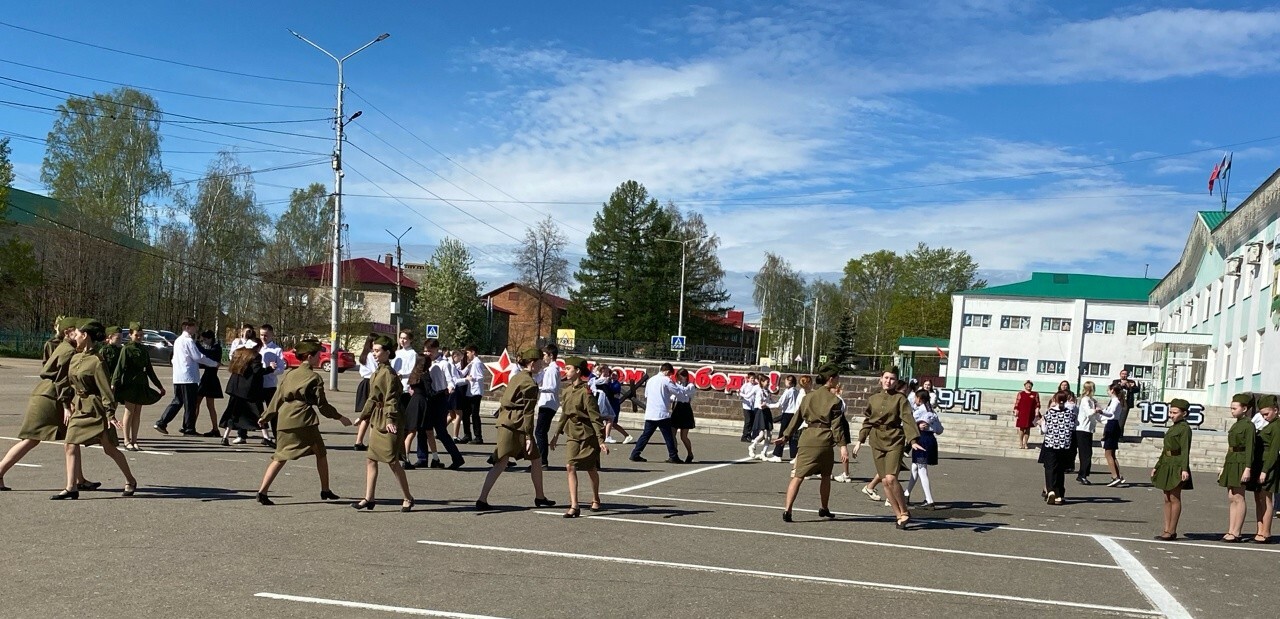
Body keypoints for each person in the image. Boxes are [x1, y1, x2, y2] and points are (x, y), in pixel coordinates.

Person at [1, 317, 100, 493]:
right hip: (49, 397)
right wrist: (66, 406)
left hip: (49, 394)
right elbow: (62, 380)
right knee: (32, 439)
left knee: (72, 437)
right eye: (75, 331)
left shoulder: (64, 347)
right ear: (68, 333)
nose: (78, 334)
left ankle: (79, 480)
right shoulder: (68, 351)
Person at [255, 339, 353, 506]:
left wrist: (266, 416)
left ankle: (262, 491)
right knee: (320, 453)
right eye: (317, 355)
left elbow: (277, 398)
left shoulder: (290, 374)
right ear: (309, 356)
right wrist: (340, 417)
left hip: (285, 419)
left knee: (280, 456)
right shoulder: (314, 377)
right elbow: (322, 405)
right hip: (304, 420)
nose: (320, 357)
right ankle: (325, 490)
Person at [53, 320, 138, 500]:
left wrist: (110, 414)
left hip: (96, 409)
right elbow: (67, 383)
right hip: (79, 407)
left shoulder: (97, 361)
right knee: (69, 444)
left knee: (109, 449)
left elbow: (106, 389)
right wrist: (67, 404)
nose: (74, 337)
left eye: (76, 334)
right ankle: (71, 487)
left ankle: (130, 480)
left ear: (85, 336)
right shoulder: (75, 357)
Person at [476, 348, 556, 510]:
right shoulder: (529, 383)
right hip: (515, 426)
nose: (542, 365)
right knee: (501, 462)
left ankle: (540, 496)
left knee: (535, 459)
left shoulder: (518, 377)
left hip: (508, 422)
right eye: (540, 363)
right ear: (532, 363)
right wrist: (528, 436)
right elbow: (528, 413)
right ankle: (481, 499)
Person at [773, 364, 848, 522]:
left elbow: (797, 418)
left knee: (798, 476)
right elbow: (836, 426)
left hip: (806, 438)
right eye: (837, 377)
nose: (838, 380)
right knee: (826, 476)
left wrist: (785, 436)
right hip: (824, 439)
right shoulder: (835, 400)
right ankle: (824, 508)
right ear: (831, 379)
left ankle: (788, 510)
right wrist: (843, 446)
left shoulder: (808, 397)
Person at [852, 366, 923, 529]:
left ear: (896, 381)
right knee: (884, 481)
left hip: (894, 439)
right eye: (886, 378)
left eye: (892, 379)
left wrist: (913, 440)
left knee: (891, 478)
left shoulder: (901, 399)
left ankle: (904, 511)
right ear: (881, 379)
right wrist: (860, 440)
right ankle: (898, 514)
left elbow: (907, 419)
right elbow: (868, 421)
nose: (888, 381)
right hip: (876, 440)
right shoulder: (873, 399)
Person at [354, 335, 415, 512]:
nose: (374, 353)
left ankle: (408, 497)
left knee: (392, 461)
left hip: (390, 419)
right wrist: (363, 416)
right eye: (373, 350)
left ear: (387, 353)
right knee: (371, 459)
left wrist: (390, 420)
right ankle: (369, 498)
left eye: (377, 350)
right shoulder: (378, 371)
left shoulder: (389, 373)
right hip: (378, 418)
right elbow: (373, 398)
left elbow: (392, 399)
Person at [549, 356, 609, 518]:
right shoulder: (567, 391)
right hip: (572, 433)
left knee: (590, 468)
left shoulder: (586, 393)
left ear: (578, 371)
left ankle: (595, 497)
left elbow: (595, 417)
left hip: (588, 434)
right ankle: (574, 506)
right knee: (570, 466)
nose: (565, 371)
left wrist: (601, 440)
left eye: (568, 368)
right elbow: (564, 414)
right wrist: (556, 434)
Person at [155, 318, 219, 436]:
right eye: (194, 326)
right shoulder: (188, 341)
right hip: (188, 377)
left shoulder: (178, 340)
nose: (196, 329)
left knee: (178, 401)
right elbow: (198, 357)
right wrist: (214, 363)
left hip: (178, 376)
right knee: (190, 403)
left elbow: (174, 359)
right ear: (187, 327)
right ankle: (189, 428)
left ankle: (162, 422)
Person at [112, 322, 166, 452]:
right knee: (129, 412)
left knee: (137, 413)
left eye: (141, 335)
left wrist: (159, 386)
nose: (139, 337)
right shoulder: (127, 349)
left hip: (141, 383)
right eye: (137, 335)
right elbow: (120, 368)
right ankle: (126, 440)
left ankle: (135, 440)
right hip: (130, 384)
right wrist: (114, 383)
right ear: (130, 335)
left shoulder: (143, 350)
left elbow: (149, 370)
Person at [1151, 398, 1194, 541]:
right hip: (1166, 463)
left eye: (1175, 412)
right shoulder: (1172, 428)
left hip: (1177, 464)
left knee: (1174, 497)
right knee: (1166, 497)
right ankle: (1166, 529)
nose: (1171, 415)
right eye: (1170, 412)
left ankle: (1172, 530)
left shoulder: (1184, 428)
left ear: (1184, 413)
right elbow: (1165, 450)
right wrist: (1157, 466)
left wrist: (1184, 469)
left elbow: (1185, 450)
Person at [418, 339, 464, 470]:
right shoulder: (425, 362)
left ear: (437, 349)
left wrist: (449, 388)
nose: (427, 353)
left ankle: (457, 458)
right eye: (426, 350)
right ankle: (422, 458)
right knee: (422, 429)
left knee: (441, 431)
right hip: (428, 399)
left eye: (430, 350)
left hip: (439, 399)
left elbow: (451, 380)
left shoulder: (444, 364)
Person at [219, 339, 271, 446]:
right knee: (259, 412)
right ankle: (266, 437)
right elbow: (257, 371)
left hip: (235, 388)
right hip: (249, 390)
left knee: (233, 413)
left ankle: (225, 437)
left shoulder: (238, 353)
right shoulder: (255, 356)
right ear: (257, 347)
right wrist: (271, 368)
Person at [1219, 393, 1257, 543]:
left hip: (1241, 462)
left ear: (1245, 408)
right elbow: (1230, 448)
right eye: (1231, 408)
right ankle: (1231, 529)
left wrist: (1248, 467)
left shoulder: (1248, 425)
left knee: (1238, 497)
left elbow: (1250, 448)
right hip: (1232, 461)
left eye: (1235, 408)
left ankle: (1237, 532)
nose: (1232, 410)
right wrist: (1224, 466)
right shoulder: (1236, 425)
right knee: (1231, 496)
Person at [628, 363, 681, 464]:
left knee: (645, 435)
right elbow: (676, 391)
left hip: (651, 412)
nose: (670, 376)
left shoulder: (651, 380)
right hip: (662, 413)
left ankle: (635, 453)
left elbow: (647, 395)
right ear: (667, 371)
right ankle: (673, 456)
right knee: (668, 436)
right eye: (670, 373)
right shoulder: (666, 380)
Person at [1247, 395, 1279, 543]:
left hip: (1268, 465)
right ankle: (1260, 530)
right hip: (1259, 464)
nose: (1265, 417)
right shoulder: (1269, 425)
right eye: (1262, 414)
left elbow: (1274, 451)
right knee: (1258, 499)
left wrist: (1265, 470)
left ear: (1276, 410)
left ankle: (1265, 532)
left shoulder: (1277, 426)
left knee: (1266, 499)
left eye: (1267, 414)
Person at [906, 387, 943, 509]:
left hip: (922, 440)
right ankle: (906, 494)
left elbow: (907, 423)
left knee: (922, 470)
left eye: (916, 397)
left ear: (920, 399)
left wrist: (917, 424)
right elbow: (939, 430)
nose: (915, 400)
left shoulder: (920, 411)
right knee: (915, 467)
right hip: (931, 440)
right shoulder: (932, 411)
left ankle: (929, 500)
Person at [1038, 391, 1076, 505]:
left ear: (1054, 399)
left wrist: (1041, 424)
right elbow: (1073, 427)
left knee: (1050, 469)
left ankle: (1051, 490)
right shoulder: (1070, 413)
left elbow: (1045, 430)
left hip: (1051, 444)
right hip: (1064, 445)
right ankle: (1059, 494)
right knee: (1060, 470)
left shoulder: (1049, 413)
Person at [534, 344, 562, 469]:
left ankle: (542, 460)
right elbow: (538, 379)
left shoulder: (552, 369)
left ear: (551, 355)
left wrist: (538, 389)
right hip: (546, 403)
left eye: (545, 355)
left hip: (548, 403)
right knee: (540, 432)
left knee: (540, 432)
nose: (543, 357)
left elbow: (552, 388)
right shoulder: (548, 369)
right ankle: (541, 460)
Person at [257, 325, 286, 446]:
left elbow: (281, 368)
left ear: (272, 335)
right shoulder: (256, 347)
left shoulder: (276, 349)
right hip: (257, 384)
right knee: (257, 411)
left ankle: (277, 436)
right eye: (261, 334)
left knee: (273, 412)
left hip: (270, 385)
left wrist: (271, 370)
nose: (263, 337)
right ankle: (245, 434)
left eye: (266, 335)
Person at [770, 375, 807, 464]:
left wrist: (767, 405)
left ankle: (777, 455)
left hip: (787, 414)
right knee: (792, 436)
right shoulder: (796, 391)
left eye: (786, 381)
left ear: (788, 382)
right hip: (794, 414)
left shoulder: (788, 392)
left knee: (782, 434)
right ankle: (794, 455)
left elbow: (780, 404)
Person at [352, 333, 378, 451]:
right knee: (372, 415)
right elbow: (375, 371)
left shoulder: (365, 354)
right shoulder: (371, 355)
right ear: (371, 343)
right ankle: (370, 443)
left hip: (365, 383)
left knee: (366, 416)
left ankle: (359, 441)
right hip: (370, 383)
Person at [195, 330, 224, 437]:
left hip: (210, 378)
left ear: (210, 339)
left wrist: (197, 344)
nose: (204, 342)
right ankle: (214, 429)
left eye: (206, 339)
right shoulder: (214, 347)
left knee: (203, 404)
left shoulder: (216, 348)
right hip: (208, 377)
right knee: (202, 403)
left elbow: (207, 354)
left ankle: (214, 429)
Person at [1074, 382, 1103, 485]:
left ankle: (1084, 474)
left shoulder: (1092, 400)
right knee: (1085, 453)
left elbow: (1096, 416)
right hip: (1082, 429)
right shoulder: (1085, 399)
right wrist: (1096, 410)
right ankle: (1082, 475)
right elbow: (1089, 412)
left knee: (1088, 453)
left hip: (1089, 429)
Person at [1100, 382, 1127, 487]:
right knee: (1112, 453)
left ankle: (1115, 476)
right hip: (1113, 425)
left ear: (1112, 390)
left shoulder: (1115, 401)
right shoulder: (1116, 401)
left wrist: (1100, 412)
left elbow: (1110, 414)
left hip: (1112, 425)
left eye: (1109, 389)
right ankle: (1118, 476)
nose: (1108, 391)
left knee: (1108, 453)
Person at [458, 345, 486, 444]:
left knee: (474, 414)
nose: (467, 355)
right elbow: (461, 373)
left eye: (468, 352)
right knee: (466, 414)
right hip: (470, 392)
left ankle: (478, 436)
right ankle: (467, 435)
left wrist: (472, 378)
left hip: (476, 392)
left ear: (473, 352)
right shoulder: (472, 363)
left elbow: (481, 376)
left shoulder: (477, 363)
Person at [669, 368, 697, 463]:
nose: (680, 378)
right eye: (678, 377)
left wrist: (674, 385)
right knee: (672, 433)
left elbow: (685, 391)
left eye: (681, 376)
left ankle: (690, 453)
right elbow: (673, 396)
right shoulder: (678, 385)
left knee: (683, 436)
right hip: (677, 409)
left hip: (685, 410)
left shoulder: (691, 385)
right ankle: (673, 455)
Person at [1012, 380, 1040, 450]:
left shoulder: (1035, 394)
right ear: (1024, 386)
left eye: (1030, 384)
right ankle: (1021, 442)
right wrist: (1016, 410)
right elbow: (1017, 403)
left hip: (1030, 414)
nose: (1028, 386)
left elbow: (1037, 404)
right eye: (1027, 384)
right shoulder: (1021, 393)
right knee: (1021, 428)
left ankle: (1026, 443)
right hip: (1022, 413)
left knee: (1027, 428)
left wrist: (1037, 411)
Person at [738, 373, 761, 442]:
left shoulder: (755, 386)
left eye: (753, 378)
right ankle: (744, 436)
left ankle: (749, 435)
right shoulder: (745, 386)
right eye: (751, 378)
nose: (753, 380)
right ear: (748, 379)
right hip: (746, 406)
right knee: (748, 421)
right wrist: (740, 394)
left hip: (753, 406)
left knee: (752, 421)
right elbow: (740, 393)